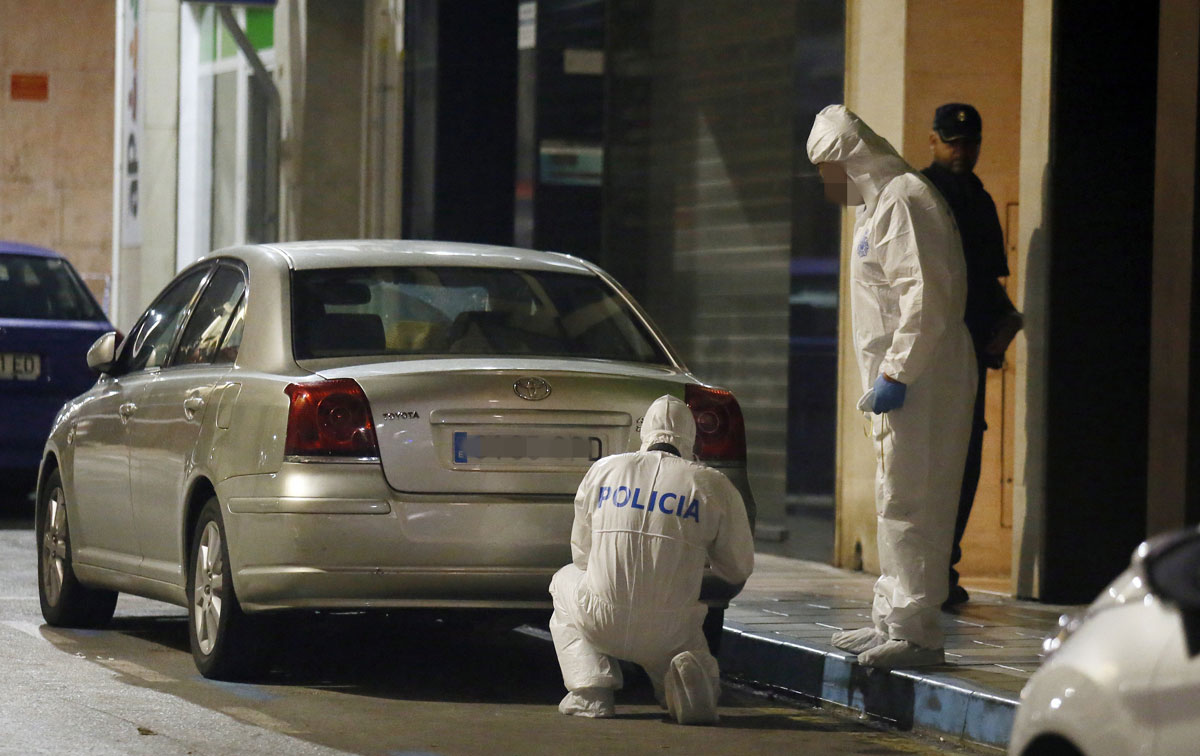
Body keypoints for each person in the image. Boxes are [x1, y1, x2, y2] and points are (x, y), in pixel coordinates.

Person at [807, 105, 976, 668]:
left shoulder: (903, 200)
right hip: (903, 380)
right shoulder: (878, 205)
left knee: (914, 501)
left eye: (828, 172)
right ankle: (891, 616)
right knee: (895, 499)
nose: (827, 186)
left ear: (850, 161)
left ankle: (917, 632)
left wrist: (896, 373)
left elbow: (925, 301)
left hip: (921, 378)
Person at [548, 394, 754, 724]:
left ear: (645, 433)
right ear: (691, 437)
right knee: (678, 647)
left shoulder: (605, 470)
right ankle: (685, 689)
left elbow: (581, 554)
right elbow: (738, 568)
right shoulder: (713, 484)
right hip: (671, 627)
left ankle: (592, 694)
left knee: (563, 579)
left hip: (601, 618)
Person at [921, 103, 1024, 608]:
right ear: (933, 142)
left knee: (965, 459)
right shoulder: (921, 193)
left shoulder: (979, 199)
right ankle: (924, 569)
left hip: (972, 351)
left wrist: (1003, 325)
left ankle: (944, 566)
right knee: (930, 462)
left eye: (970, 142)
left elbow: (987, 279)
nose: (962, 151)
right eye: (952, 141)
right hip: (932, 353)